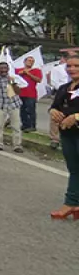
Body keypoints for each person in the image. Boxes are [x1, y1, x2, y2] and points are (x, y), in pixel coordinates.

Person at [48, 56, 79, 220]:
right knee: (74, 169)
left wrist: (76, 116)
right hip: (67, 134)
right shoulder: (63, 88)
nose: (72, 69)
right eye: (69, 66)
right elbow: (54, 106)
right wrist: (52, 111)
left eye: (76, 66)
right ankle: (73, 203)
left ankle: (70, 203)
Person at [0, 62, 26, 153]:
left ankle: (17, 145)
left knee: (16, 126)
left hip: (13, 104)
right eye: (1, 68)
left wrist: (13, 83)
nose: (3, 70)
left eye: (5, 68)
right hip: (1, 105)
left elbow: (18, 92)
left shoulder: (13, 78)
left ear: (8, 69)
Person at [49, 56, 71, 150]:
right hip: (60, 93)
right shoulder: (57, 69)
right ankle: (55, 139)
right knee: (56, 116)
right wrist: (65, 89)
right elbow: (53, 82)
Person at [16, 56, 42, 132]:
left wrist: (28, 74)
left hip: (31, 94)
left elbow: (39, 80)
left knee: (31, 110)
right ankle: (25, 124)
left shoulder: (36, 70)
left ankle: (32, 125)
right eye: (29, 60)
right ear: (24, 61)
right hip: (20, 93)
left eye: (32, 61)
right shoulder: (18, 70)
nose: (30, 62)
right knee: (22, 110)